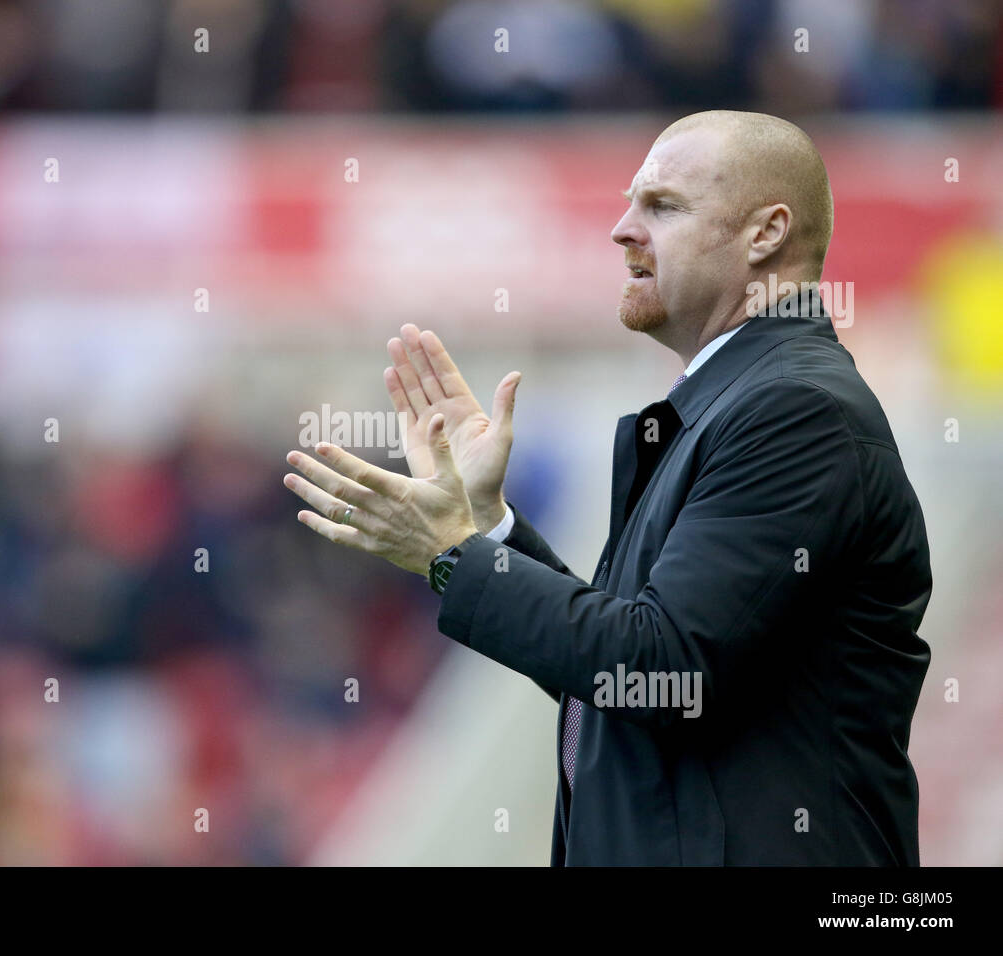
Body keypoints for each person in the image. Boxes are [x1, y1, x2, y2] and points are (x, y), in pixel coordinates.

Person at [282, 110, 932, 865]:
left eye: (661, 206)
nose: (622, 230)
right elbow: (626, 685)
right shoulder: (734, 403)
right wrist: (487, 528)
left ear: (766, 234)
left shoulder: (796, 412)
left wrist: (451, 555)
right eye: (629, 203)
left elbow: (663, 669)